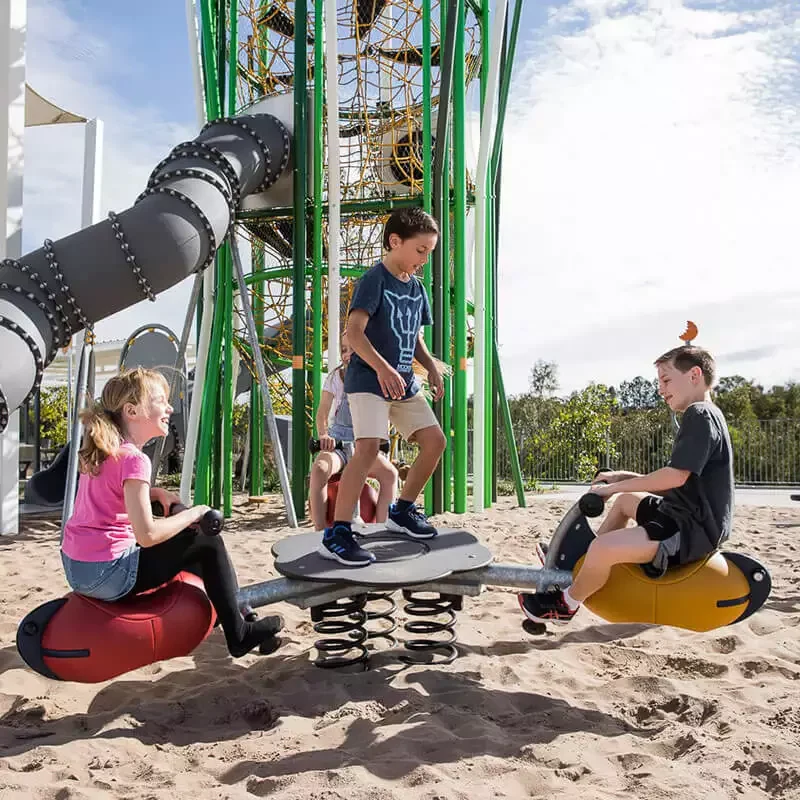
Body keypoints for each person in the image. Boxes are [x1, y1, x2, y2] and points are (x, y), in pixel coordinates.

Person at [61, 367, 283, 658]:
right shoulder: (135, 460)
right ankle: (239, 634)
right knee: (205, 541)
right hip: (109, 575)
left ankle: (236, 615)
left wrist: (157, 495)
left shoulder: (108, 450)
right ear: (132, 410)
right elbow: (148, 534)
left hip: (77, 568)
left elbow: (108, 499)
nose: (169, 407)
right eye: (160, 400)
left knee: (188, 541)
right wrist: (194, 513)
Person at [519, 344, 734, 624]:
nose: (660, 389)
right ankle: (582, 565)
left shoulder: (699, 414)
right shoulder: (708, 414)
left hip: (691, 531)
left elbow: (674, 477)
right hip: (684, 516)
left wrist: (611, 488)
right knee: (626, 503)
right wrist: (622, 478)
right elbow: (678, 482)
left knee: (604, 548)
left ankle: (565, 605)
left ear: (694, 375)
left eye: (666, 380)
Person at [320, 207, 447, 565]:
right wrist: (383, 369)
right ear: (395, 242)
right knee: (368, 448)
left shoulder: (417, 287)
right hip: (369, 380)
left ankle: (403, 510)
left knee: (435, 441)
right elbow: (354, 334)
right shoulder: (374, 279)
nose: (424, 259)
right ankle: (339, 531)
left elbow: (415, 337)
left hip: (403, 383)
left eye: (429, 253)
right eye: (420, 251)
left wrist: (431, 368)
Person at [310, 332, 398, 531]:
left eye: (353, 349)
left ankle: (383, 529)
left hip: (364, 444)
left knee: (390, 475)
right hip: (340, 442)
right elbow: (322, 412)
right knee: (320, 470)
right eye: (343, 350)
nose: (347, 354)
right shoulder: (336, 377)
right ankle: (320, 530)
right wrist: (324, 435)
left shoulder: (376, 378)